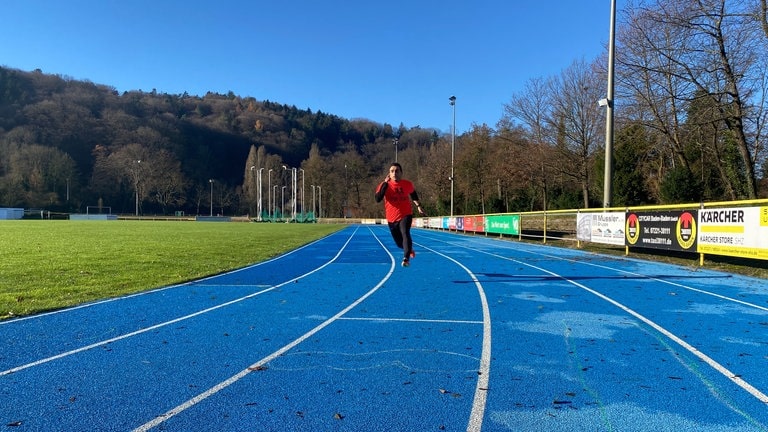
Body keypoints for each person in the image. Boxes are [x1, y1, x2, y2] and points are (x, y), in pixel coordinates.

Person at [374, 162, 425, 267]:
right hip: (391, 218)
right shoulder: (384, 185)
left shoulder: (407, 184)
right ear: (389, 174)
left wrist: (419, 206)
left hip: (405, 214)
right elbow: (378, 199)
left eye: (397, 171)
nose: (394, 173)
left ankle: (406, 258)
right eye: (392, 171)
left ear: (401, 173)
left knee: (405, 233)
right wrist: (384, 184)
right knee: (398, 243)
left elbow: (413, 194)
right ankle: (409, 249)